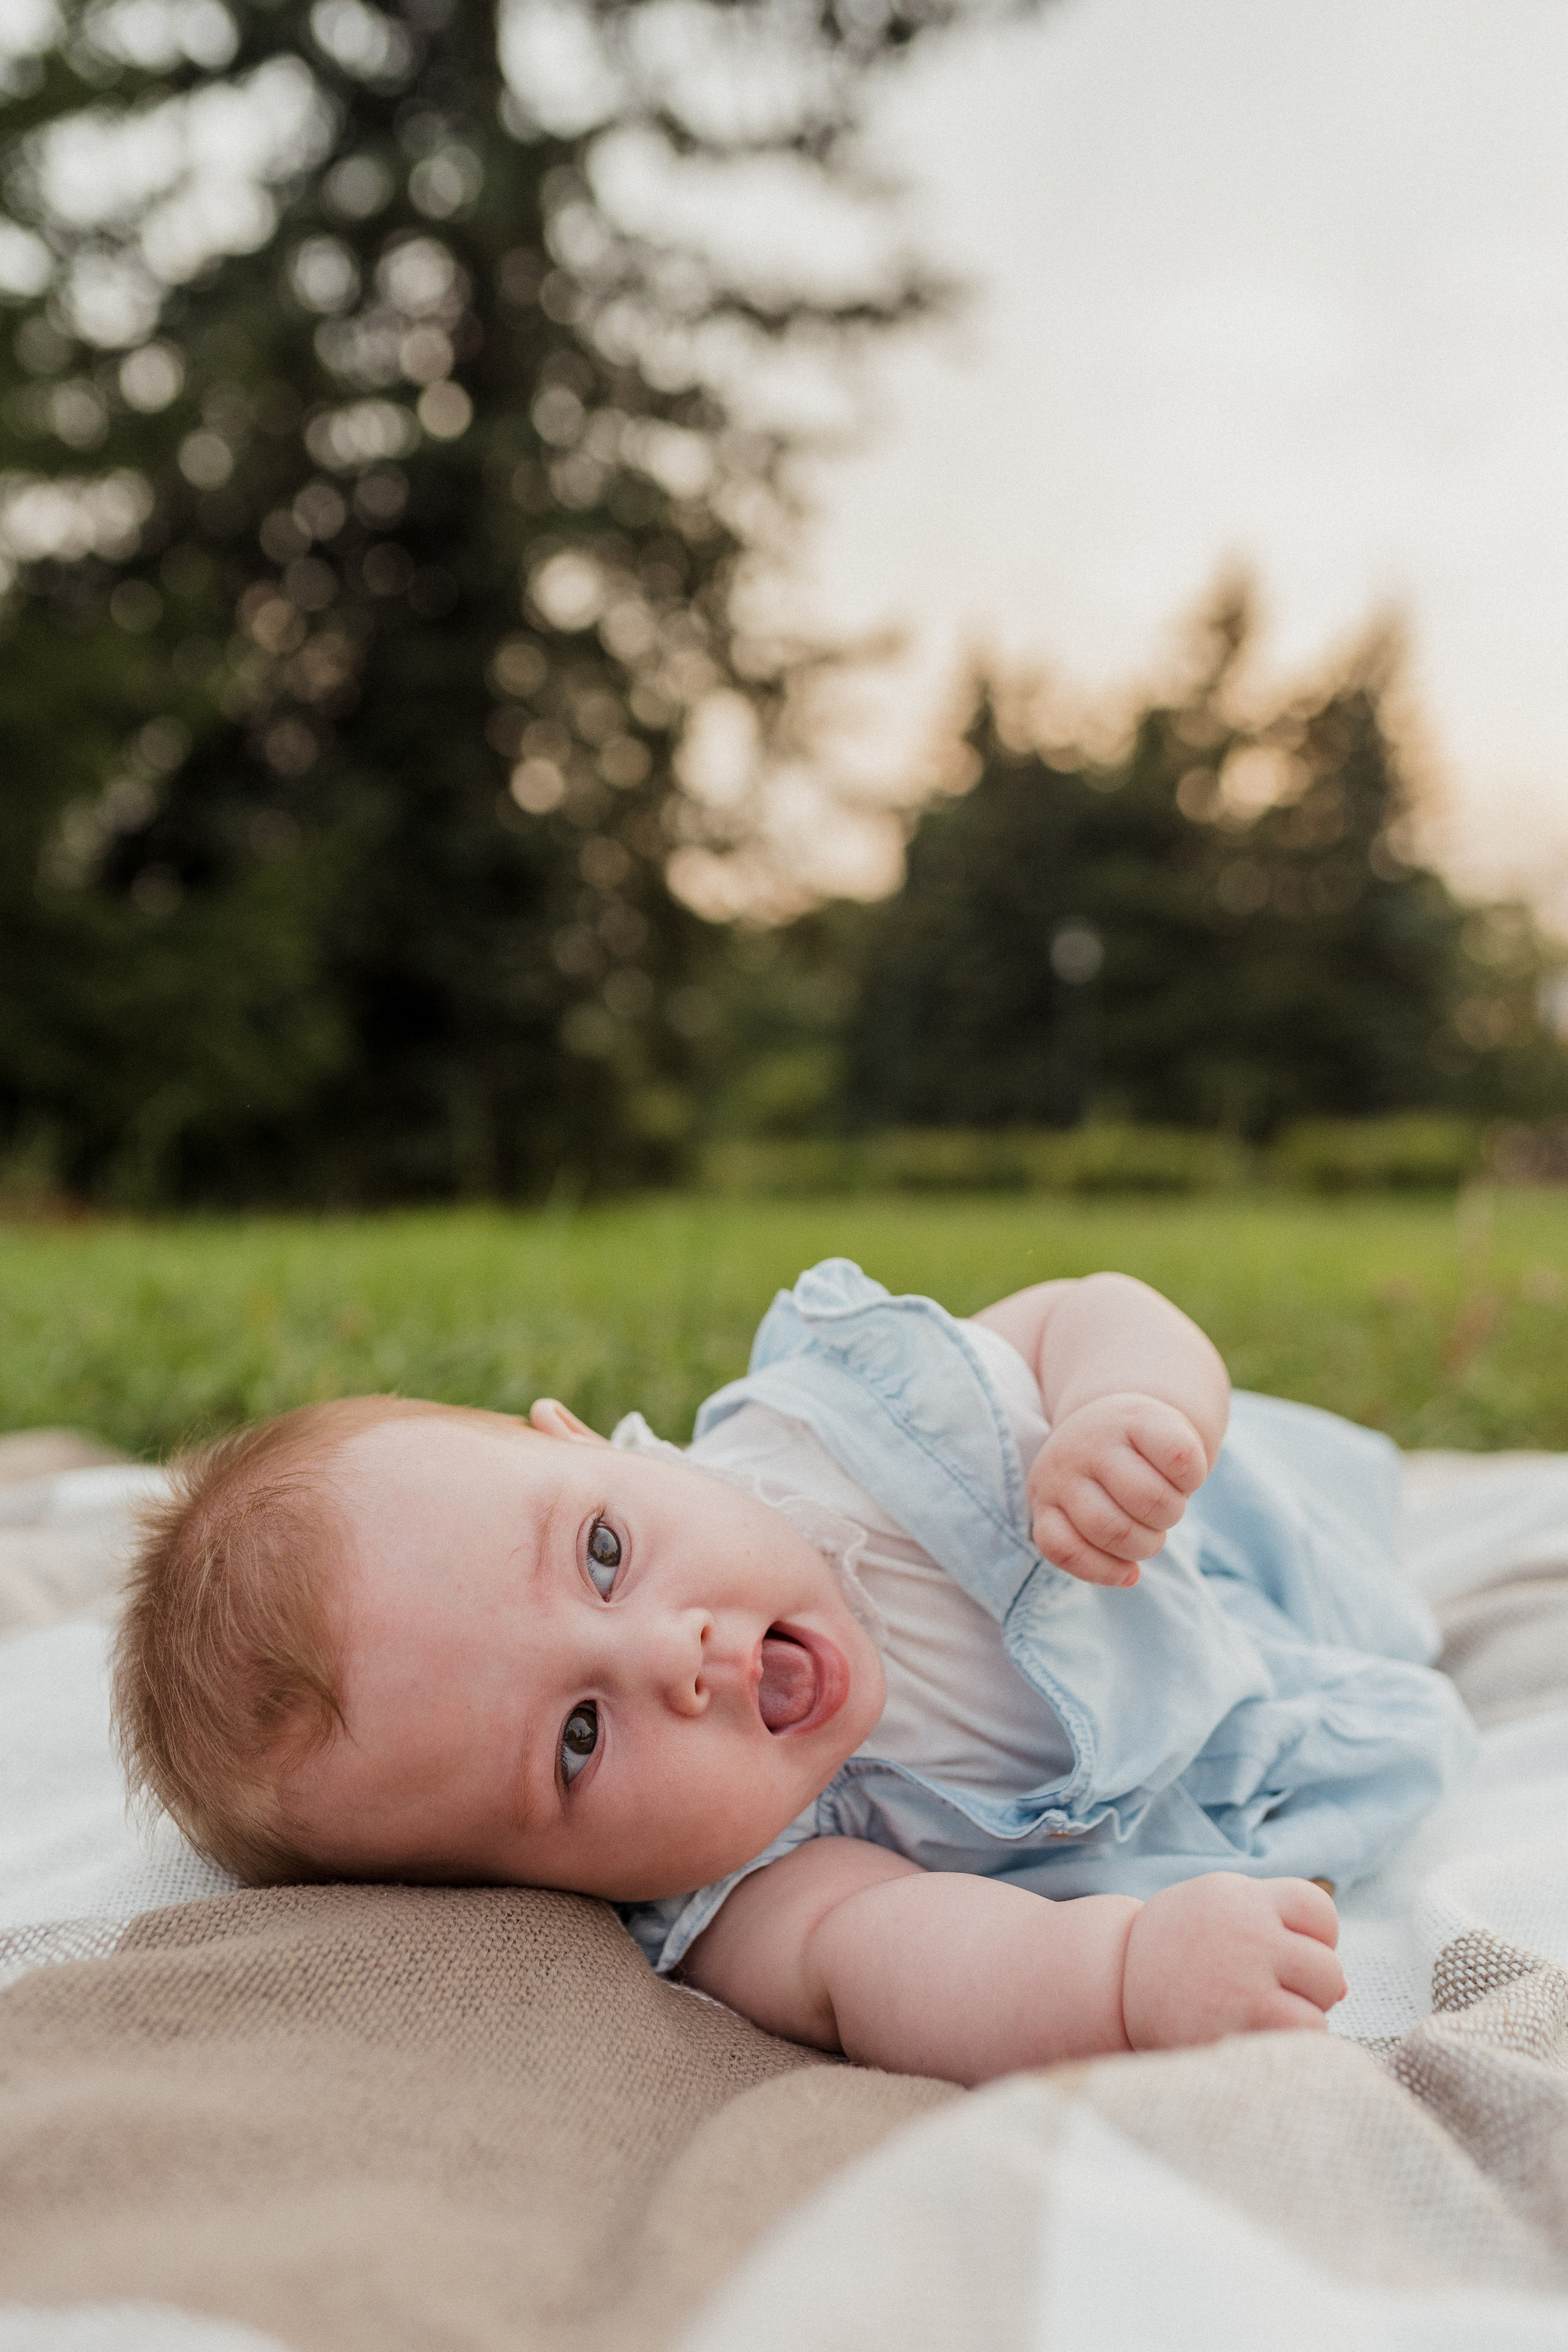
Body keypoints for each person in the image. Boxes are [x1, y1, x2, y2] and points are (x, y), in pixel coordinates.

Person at [113, 1258, 1477, 2087]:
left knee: (1370, 1543)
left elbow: (1088, 1309)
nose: (675, 1655)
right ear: (541, 1885)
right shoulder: (752, 1888)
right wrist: (1126, 1972)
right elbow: (915, 1964)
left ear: (592, 1444)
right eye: (577, 1740)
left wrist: (1127, 1407)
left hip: (1239, 1526)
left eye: (602, 1552)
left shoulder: (850, 1434)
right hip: (1282, 1739)